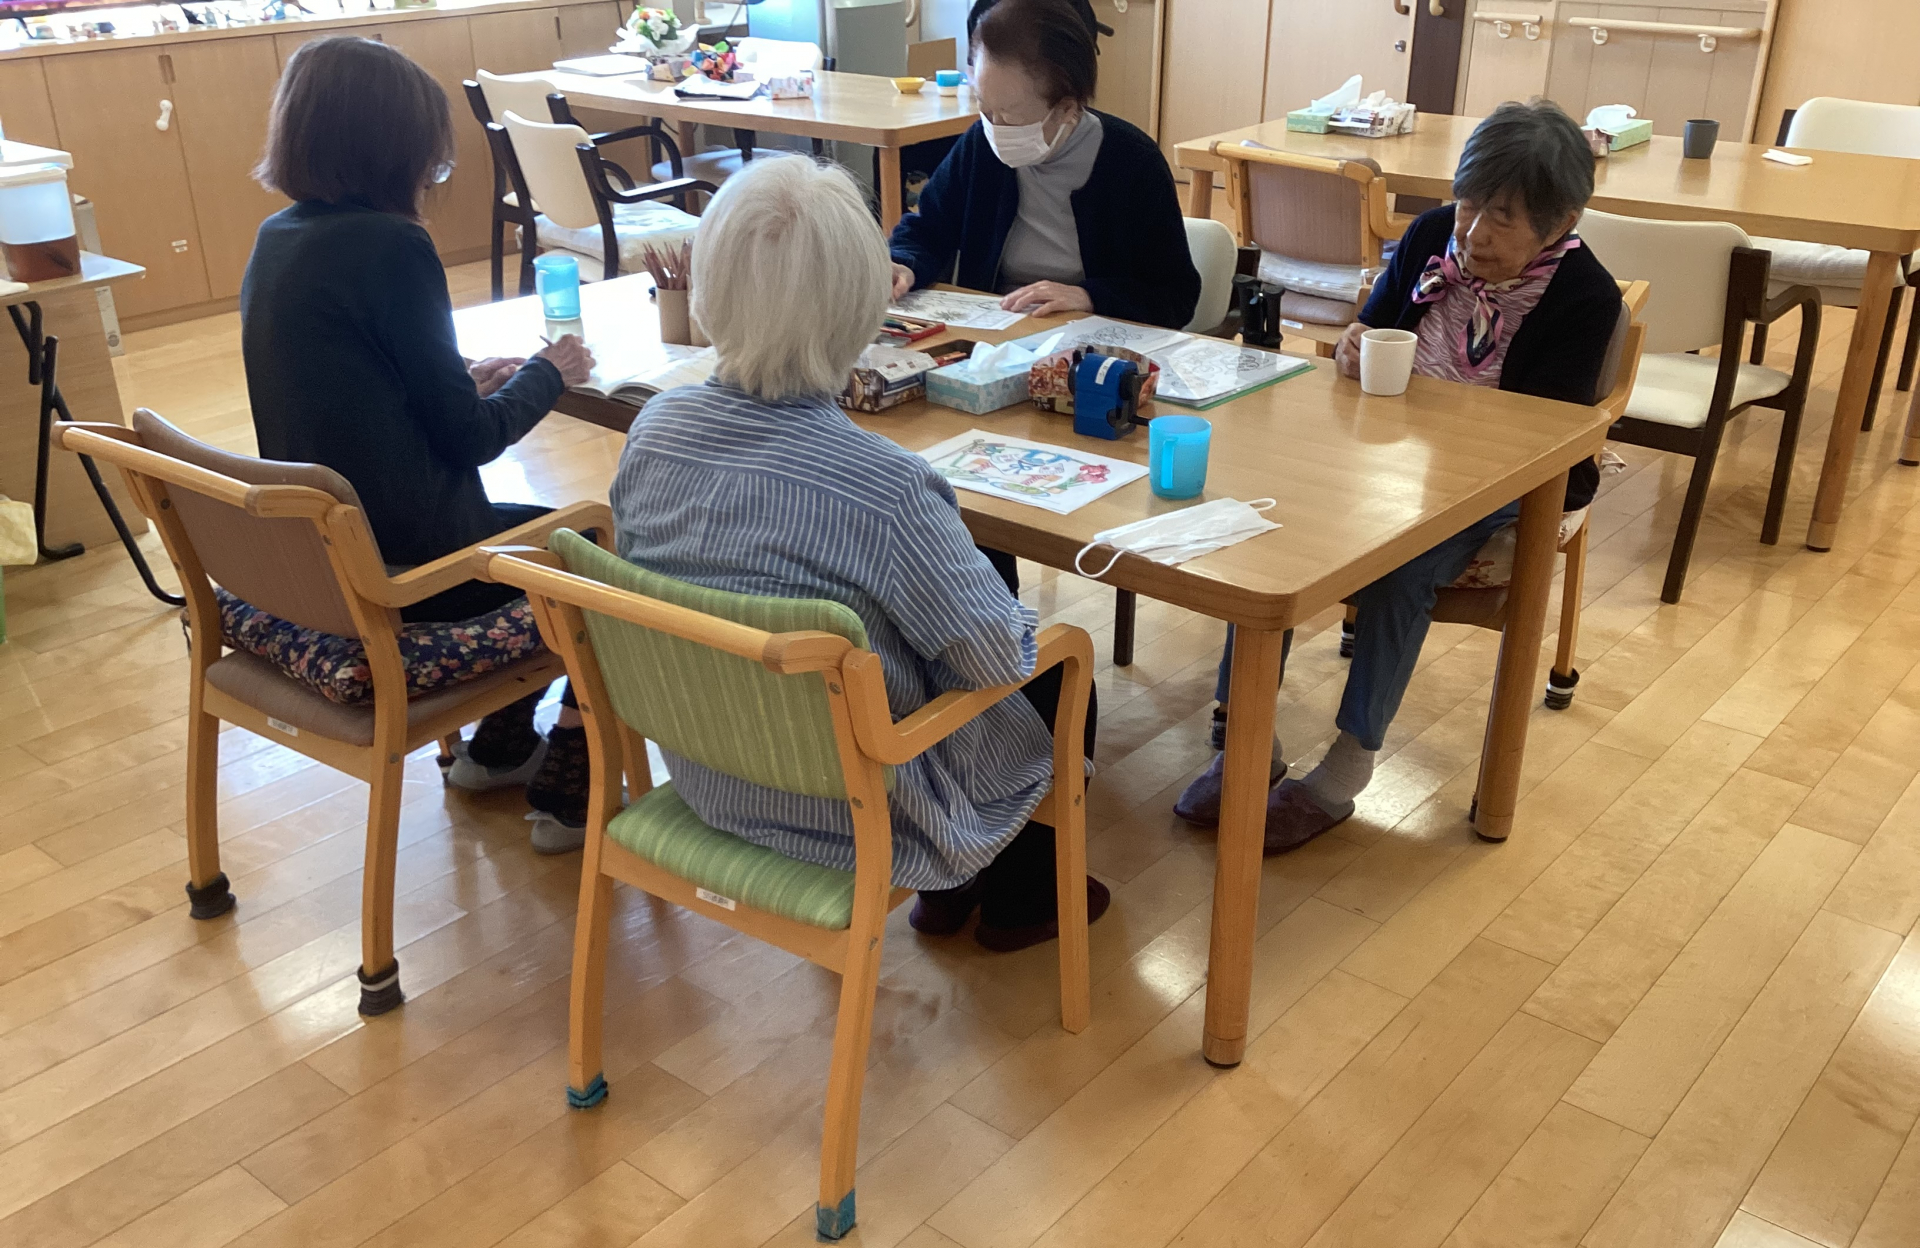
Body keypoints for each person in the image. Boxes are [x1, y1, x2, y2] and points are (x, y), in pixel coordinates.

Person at [611, 154, 1107, 950]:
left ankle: (955, 895)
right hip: (866, 812)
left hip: (713, 773)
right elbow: (994, 662)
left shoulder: (653, 432)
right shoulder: (888, 487)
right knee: (1057, 667)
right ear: (863, 311)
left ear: (708, 288)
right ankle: (1021, 897)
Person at [1175, 99, 1619, 850]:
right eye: (1470, 204)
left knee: (1399, 567)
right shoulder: (1429, 236)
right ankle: (1246, 734)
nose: (1473, 234)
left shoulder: (1583, 297)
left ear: (1560, 223)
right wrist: (1355, 344)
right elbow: (1373, 324)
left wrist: (1426, 431)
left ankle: (1347, 768)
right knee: (1268, 523)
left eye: (1502, 218)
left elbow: (1538, 440)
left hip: (1500, 484)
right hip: (1381, 455)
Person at [242, 35, 597, 853]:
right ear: (394, 150)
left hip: (324, 557)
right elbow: (472, 439)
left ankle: (499, 746)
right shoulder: (394, 247)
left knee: (542, 531)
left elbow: (340, 386)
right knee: (588, 547)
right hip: (412, 568)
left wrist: (456, 378)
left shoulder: (278, 237)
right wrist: (550, 372)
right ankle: (572, 773)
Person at [887, 0, 1199, 329]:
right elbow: (927, 229)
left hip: (1087, 340)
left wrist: (1089, 296)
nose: (994, 127)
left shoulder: (1133, 164)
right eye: (985, 107)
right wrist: (905, 264)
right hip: (994, 334)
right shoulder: (979, 146)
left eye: (1010, 116)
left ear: (1067, 109)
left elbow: (1176, 296)